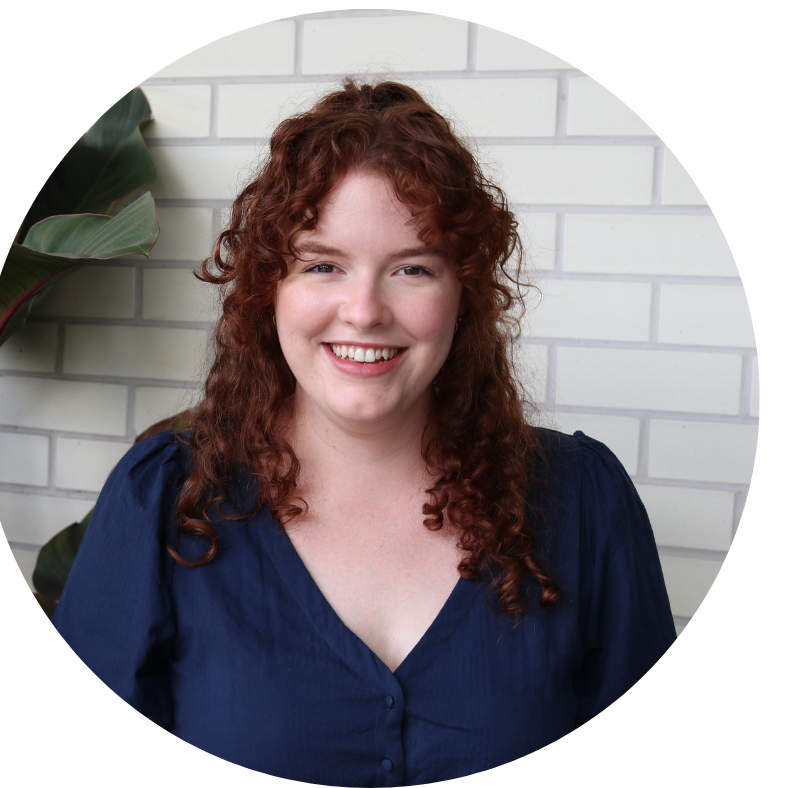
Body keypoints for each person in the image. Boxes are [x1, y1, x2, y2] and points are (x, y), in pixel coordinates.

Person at [51, 80, 676, 782]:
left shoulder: (585, 500)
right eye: (322, 265)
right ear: (269, 289)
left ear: (463, 295)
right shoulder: (165, 497)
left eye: (412, 268)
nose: (364, 310)